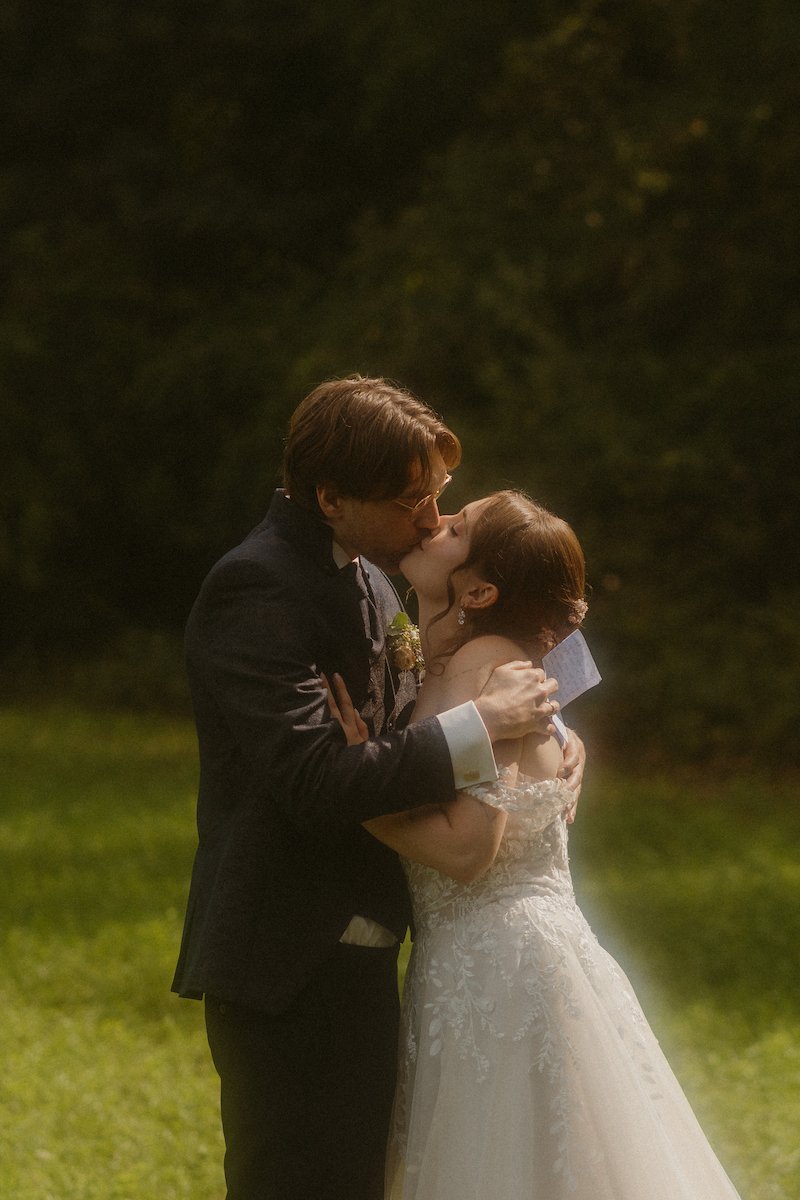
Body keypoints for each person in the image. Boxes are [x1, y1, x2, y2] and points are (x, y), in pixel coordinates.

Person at [171, 377, 585, 1200]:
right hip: (288, 962)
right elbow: (314, 779)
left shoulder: (372, 575)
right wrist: (481, 726)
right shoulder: (257, 586)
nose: (431, 520)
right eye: (409, 501)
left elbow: (531, 624)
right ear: (332, 498)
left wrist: (563, 731)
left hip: (371, 962)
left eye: (438, 496)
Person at [328, 489, 743, 1200]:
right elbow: (546, 697)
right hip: (474, 957)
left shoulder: (487, 663)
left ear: (480, 591)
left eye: (455, 528)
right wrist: (567, 738)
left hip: (501, 967)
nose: (433, 521)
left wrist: (352, 787)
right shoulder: (444, 652)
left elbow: (468, 850)